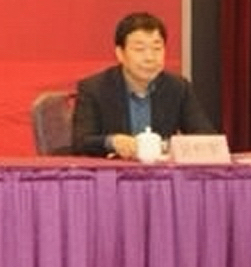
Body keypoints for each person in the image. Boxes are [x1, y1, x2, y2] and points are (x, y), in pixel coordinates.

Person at [70, 11, 214, 158]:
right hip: (114, 170)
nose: (150, 58)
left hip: (161, 170)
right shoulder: (94, 89)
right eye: (140, 49)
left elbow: (205, 137)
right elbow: (81, 142)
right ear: (120, 54)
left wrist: (170, 146)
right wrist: (112, 142)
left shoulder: (178, 88)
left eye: (157, 49)